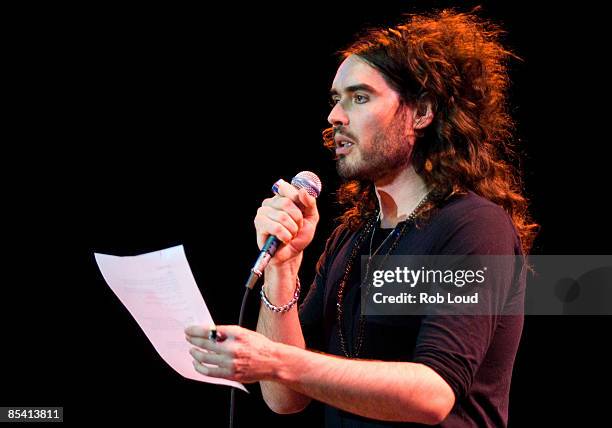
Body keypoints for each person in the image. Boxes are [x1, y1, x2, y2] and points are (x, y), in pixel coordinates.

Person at [185, 9, 538, 427]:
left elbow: (433, 393)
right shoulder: (354, 237)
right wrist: (282, 267)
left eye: (360, 96)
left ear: (421, 112)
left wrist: (274, 359)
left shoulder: (473, 226)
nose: (335, 116)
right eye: (336, 99)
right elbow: (285, 398)